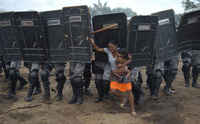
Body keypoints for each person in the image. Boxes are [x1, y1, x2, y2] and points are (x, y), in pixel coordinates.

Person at [110, 49, 136, 116]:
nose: (117, 57)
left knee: (129, 91)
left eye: (119, 56)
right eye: (117, 56)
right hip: (115, 77)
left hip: (125, 77)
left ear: (124, 58)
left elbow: (129, 71)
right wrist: (123, 67)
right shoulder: (114, 61)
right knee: (113, 91)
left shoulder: (128, 62)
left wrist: (127, 74)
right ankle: (124, 97)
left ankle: (132, 109)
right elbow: (114, 72)